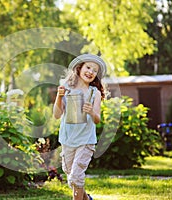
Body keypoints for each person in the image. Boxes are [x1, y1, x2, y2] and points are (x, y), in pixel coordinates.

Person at [53, 53, 106, 200]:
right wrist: (59, 96)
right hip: (67, 139)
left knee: (75, 177)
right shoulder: (67, 89)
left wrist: (91, 112)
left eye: (94, 70)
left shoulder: (93, 92)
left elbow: (97, 120)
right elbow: (57, 115)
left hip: (86, 140)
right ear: (79, 68)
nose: (90, 72)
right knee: (71, 175)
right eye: (88, 67)